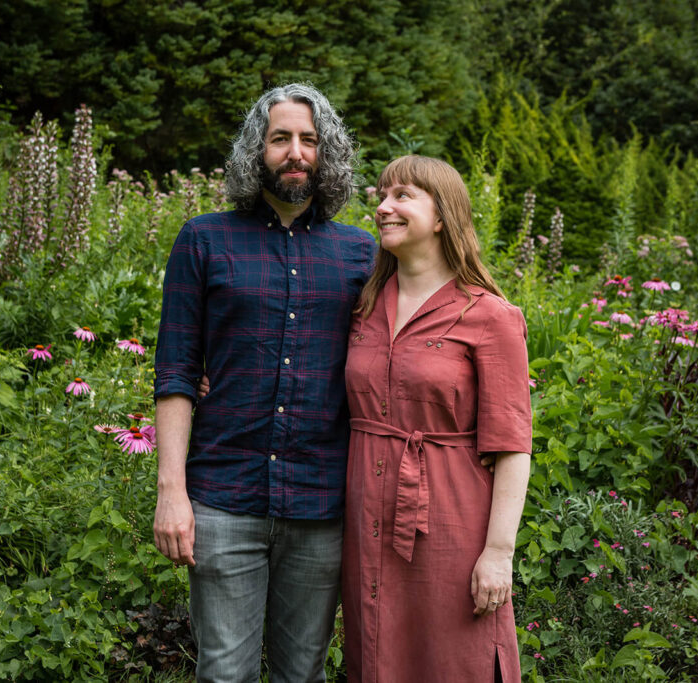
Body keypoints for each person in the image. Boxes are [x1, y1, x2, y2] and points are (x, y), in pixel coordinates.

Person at [152, 83, 376, 682]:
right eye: (281, 139)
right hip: (224, 497)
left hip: (320, 503)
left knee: (302, 674)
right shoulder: (204, 239)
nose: (295, 152)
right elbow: (175, 372)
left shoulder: (362, 254)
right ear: (257, 150)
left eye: (309, 140)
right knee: (225, 673)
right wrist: (171, 492)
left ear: (326, 153)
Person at [342, 155, 533, 681]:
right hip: (366, 523)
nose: (383, 207)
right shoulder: (362, 305)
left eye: (402, 195)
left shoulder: (489, 315)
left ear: (443, 215)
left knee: (454, 659)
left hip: (452, 522)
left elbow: (513, 446)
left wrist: (498, 553)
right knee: (376, 655)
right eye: (382, 195)